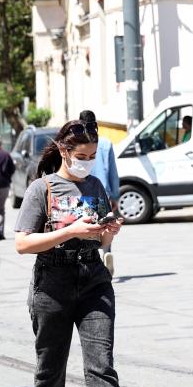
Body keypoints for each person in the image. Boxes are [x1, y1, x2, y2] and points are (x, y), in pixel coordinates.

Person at [13, 119, 142, 387]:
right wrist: (69, 231)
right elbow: (22, 243)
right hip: (52, 282)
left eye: (92, 156)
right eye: (81, 156)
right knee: (51, 360)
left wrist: (109, 232)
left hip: (93, 280)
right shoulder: (42, 188)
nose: (87, 162)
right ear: (64, 151)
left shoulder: (96, 186)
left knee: (102, 362)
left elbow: (101, 240)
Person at [79, 110, 120, 274]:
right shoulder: (105, 143)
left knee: (87, 226)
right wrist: (115, 196)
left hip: (82, 192)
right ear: (96, 125)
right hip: (103, 193)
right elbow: (113, 173)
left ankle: (89, 261)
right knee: (106, 225)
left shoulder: (78, 144)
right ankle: (107, 251)